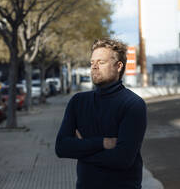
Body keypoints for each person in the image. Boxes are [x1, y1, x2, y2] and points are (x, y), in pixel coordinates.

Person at [55, 38, 147, 189]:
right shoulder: (78, 102)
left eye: (101, 62)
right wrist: (103, 143)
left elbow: (123, 159)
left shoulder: (133, 104)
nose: (94, 67)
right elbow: (61, 147)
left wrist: (81, 148)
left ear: (118, 66)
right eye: (92, 63)